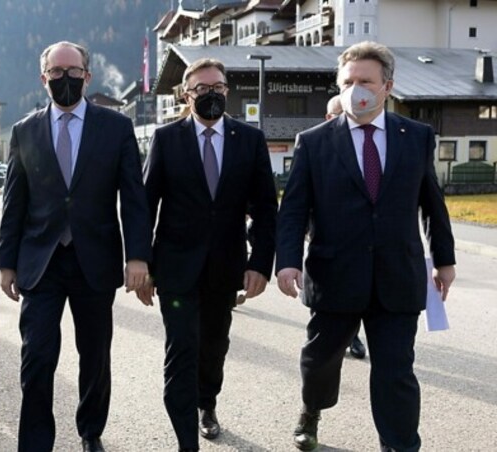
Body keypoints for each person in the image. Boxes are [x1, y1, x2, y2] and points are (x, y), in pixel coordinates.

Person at [276, 41, 456, 452]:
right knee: (319, 363)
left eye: (365, 81)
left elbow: (432, 203)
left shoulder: (418, 138)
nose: (355, 89)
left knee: (396, 372)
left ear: (386, 87)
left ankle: (400, 445)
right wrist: (287, 262)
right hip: (334, 275)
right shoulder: (314, 141)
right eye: (347, 81)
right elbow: (293, 210)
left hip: (398, 277)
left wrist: (444, 259)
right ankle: (311, 409)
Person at [0, 41, 152, 452]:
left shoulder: (115, 128)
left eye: (73, 70)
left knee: (95, 357)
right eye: (56, 71)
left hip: (95, 262)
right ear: (43, 77)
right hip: (40, 263)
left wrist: (137, 256)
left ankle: (90, 431)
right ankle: (34, 443)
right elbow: (15, 202)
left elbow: (134, 198)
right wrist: (5, 263)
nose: (64, 78)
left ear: (88, 75)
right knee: (37, 359)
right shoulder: (24, 130)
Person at [137, 58, 278, 451]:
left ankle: (207, 403)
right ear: (186, 94)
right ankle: (186, 440)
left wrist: (259, 264)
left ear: (227, 91)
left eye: (217, 86)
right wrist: (143, 264)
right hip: (176, 268)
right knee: (181, 349)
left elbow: (267, 207)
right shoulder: (167, 139)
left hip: (226, 267)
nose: (210, 93)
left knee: (214, 346)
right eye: (201, 88)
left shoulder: (249, 139)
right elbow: (145, 205)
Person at [325, 96, 367, 360]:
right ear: (329, 118)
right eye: (338, 113)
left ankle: (353, 337)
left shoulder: (371, 146)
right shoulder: (314, 144)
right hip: (329, 248)